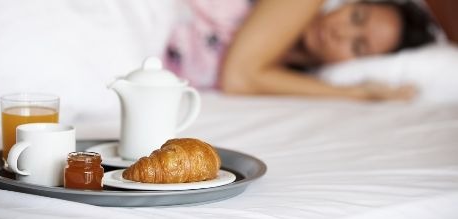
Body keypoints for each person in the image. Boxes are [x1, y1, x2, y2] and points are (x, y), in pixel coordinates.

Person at [164, 0, 436, 101]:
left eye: (358, 45)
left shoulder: (287, 76)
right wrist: (358, 93)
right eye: (356, 17)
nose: (339, 32)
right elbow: (238, 79)